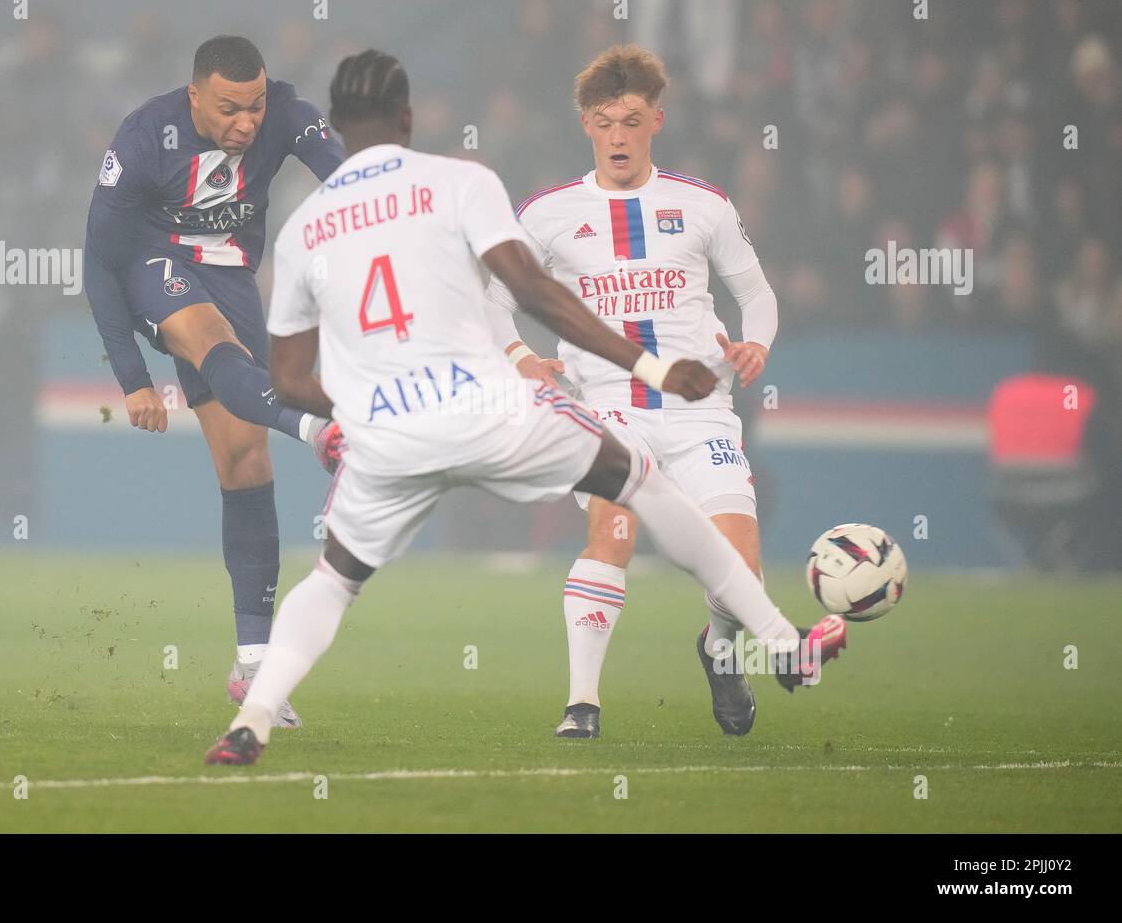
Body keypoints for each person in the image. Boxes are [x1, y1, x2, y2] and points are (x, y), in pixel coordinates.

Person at [205, 49, 845, 766]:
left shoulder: (304, 230)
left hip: (392, 431)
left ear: (334, 128)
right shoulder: (460, 182)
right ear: (409, 118)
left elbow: (288, 380)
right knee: (637, 481)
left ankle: (254, 718)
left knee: (334, 578)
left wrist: (352, 413)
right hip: (487, 411)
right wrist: (648, 363)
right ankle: (784, 646)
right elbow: (532, 293)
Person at [485, 45, 780, 738]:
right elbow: (493, 300)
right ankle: (582, 704)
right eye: (604, 121)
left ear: (657, 121)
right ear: (586, 125)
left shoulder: (703, 204)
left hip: (699, 409)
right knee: (610, 534)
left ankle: (719, 651)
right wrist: (524, 355)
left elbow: (756, 294)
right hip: (607, 408)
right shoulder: (549, 214)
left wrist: (755, 342)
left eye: (632, 120)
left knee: (741, 569)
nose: (618, 135)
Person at [83, 35, 345, 725]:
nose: (247, 123)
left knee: (243, 460)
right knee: (210, 341)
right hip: (153, 264)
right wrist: (134, 377)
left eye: (255, 105)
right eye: (230, 108)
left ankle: (254, 668)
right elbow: (98, 262)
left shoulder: (285, 113)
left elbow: (347, 177)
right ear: (196, 94)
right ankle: (319, 431)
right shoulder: (145, 138)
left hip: (229, 274)